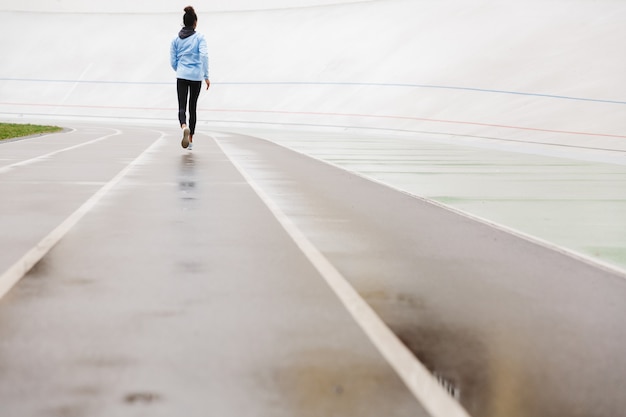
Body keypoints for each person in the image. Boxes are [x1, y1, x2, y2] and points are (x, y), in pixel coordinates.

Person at [170, 6, 210, 150]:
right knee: (192, 107)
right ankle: (191, 138)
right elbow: (204, 56)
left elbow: (172, 61)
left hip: (181, 75)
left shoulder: (175, 39)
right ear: (195, 23)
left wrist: (180, 69)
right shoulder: (200, 38)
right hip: (196, 76)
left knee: (182, 106)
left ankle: (184, 126)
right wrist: (206, 76)